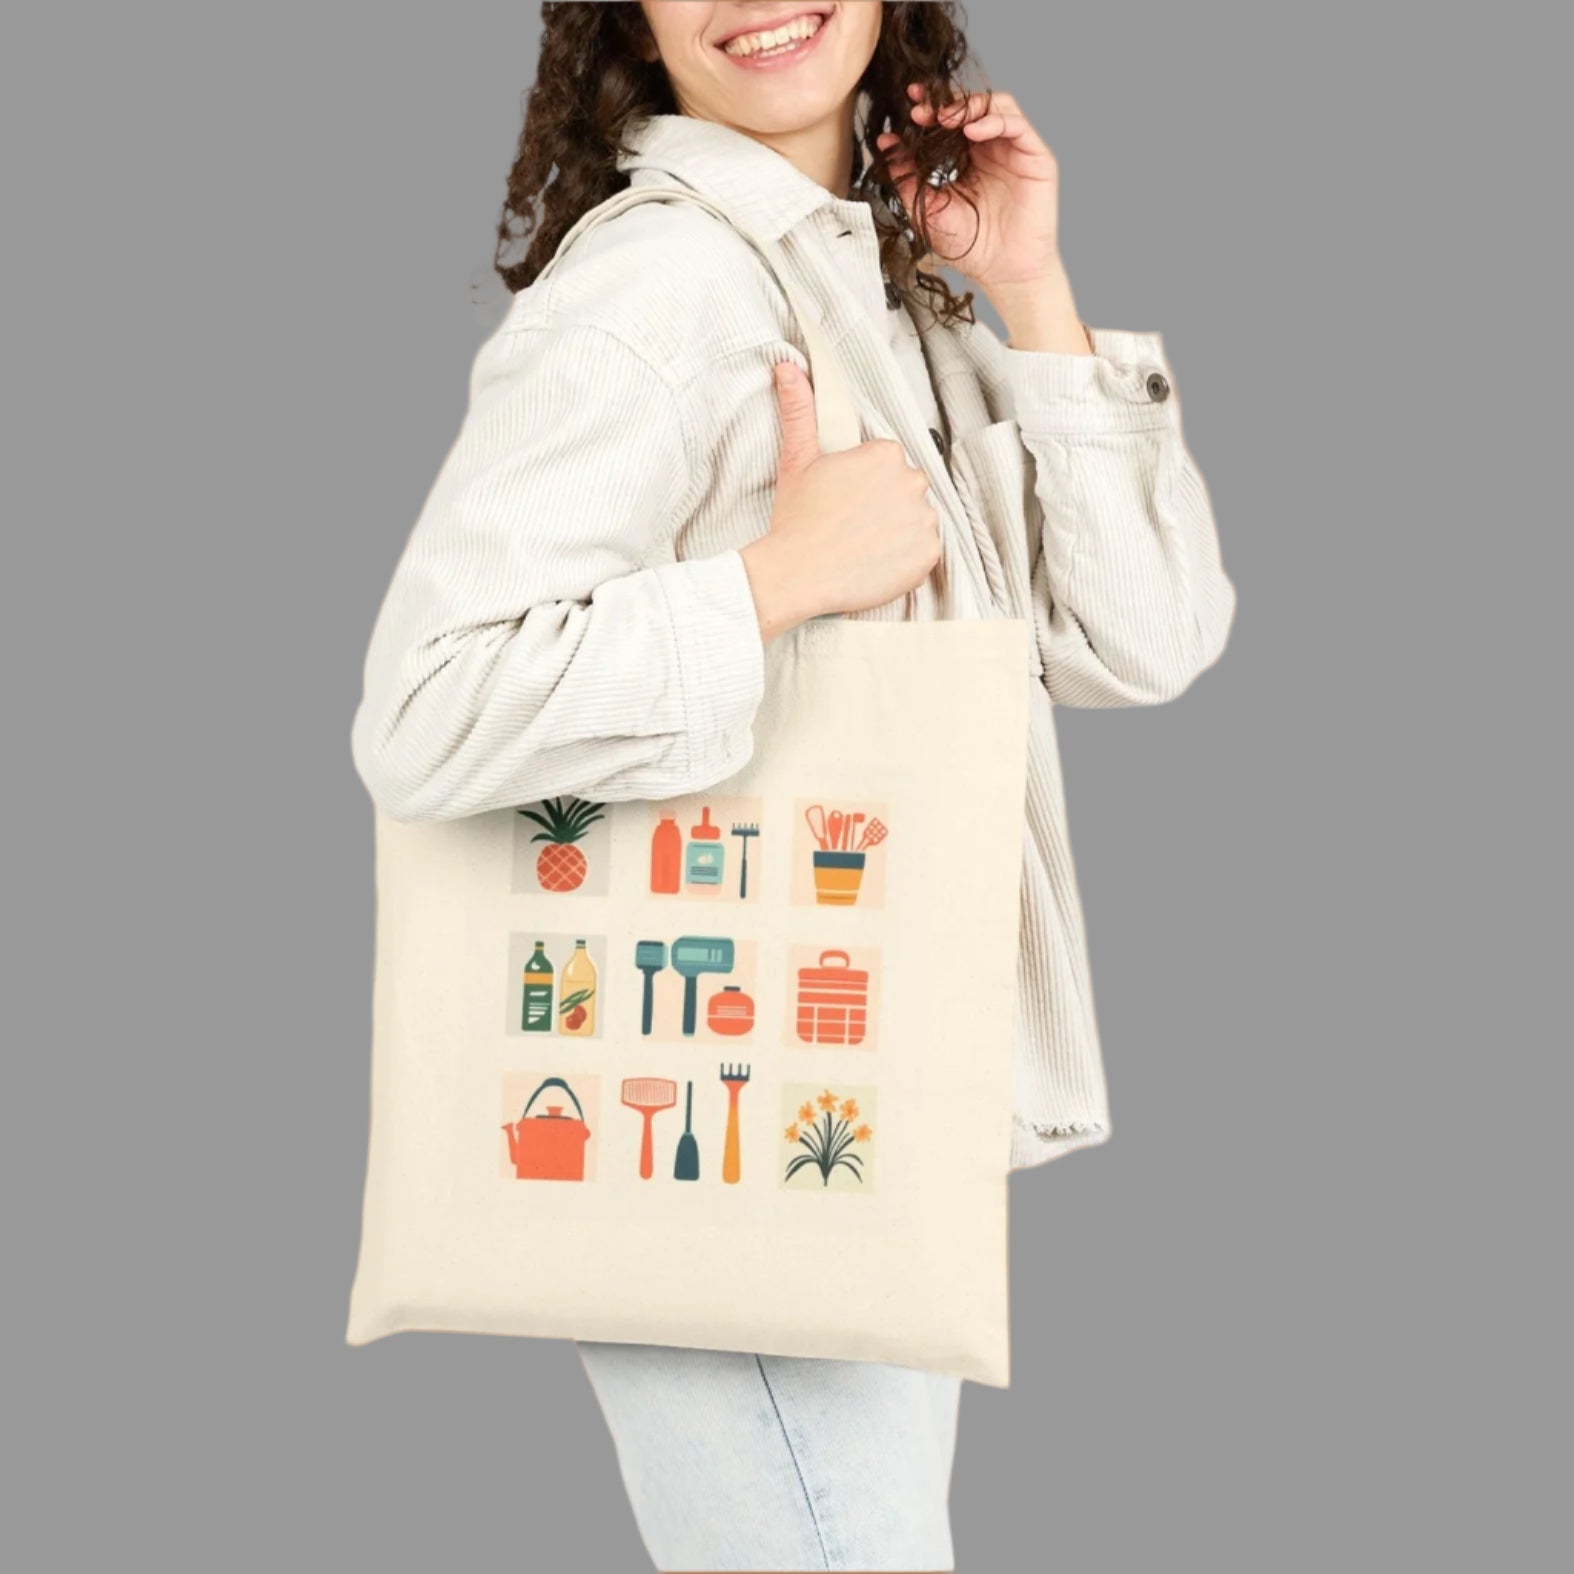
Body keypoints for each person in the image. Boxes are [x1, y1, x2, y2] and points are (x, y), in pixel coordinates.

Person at [349, 4, 1236, 1569]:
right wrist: (772, 581)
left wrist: (1027, 286)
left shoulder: (871, 282)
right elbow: (426, 709)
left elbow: (1145, 639)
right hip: (714, 1112)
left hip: (848, 1097)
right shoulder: (659, 284)